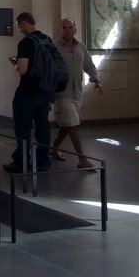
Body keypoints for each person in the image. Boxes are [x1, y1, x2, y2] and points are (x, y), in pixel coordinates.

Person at [51, 17, 104, 169]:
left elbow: (88, 64)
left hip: (76, 92)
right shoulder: (54, 47)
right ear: (61, 30)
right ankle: (82, 159)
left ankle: (54, 149)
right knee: (73, 124)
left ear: (75, 29)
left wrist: (96, 80)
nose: (67, 30)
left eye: (70, 27)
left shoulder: (80, 47)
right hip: (62, 92)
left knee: (67, 125)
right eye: (64, 27)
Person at [4, 12, 52, 173]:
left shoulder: (26, 43)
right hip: (45, 92)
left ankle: (21, 162)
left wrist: (14, 64)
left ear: (24, 23)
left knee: (22, 128)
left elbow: (23, 69)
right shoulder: (47, 40)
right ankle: (42, 161)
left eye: (19, 27)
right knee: (43, 126)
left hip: (27, 92)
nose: (20, 30)